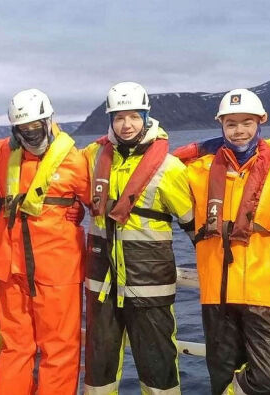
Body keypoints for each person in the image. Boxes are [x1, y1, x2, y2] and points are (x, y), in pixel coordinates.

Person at [81, 82, 195, 394]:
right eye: (119, 118)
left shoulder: (169, 168)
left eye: (133, 116)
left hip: (151, 286)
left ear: (146, 117)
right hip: (102, 286)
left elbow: (194, 227)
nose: (126, 124)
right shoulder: (93, 159)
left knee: (159, 370)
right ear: (110, 121)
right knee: (97, 374)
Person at [0, 88, 90, 394]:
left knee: (59, 350)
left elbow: (98, 202)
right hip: (11, 270)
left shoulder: (76, 160)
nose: (30, 134)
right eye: (23, 129)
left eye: (34, 127)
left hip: (57, 271)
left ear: (48, 120)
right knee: (14, 348)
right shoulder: (3, 154)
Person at [185, 89, 270, 395]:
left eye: (247, 122)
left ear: (262, 121)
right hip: (217, 294)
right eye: (231, 124)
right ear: (220, 125)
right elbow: (160, 171)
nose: (239, 130)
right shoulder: (198, 170)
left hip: (266, 293)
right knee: (221, 376)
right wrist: (198, 148)